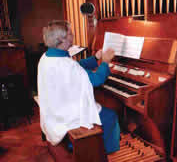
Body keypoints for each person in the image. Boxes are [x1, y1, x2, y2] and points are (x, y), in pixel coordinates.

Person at [38, 20, 120, 154]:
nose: (73, 35)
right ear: (61, 39)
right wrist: (105, 61)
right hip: (67, 117)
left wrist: (95, 58)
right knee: (110, 115)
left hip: (54, 111)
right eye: (71, 33)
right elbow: (97, 80)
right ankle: (102, 154)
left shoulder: (46, 57)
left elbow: (76, 65)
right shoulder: (67, 66)